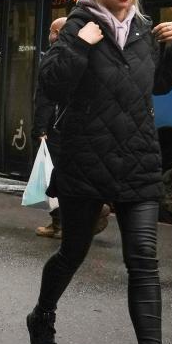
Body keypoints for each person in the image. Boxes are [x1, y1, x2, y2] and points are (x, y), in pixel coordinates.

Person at [26, 0, 172, 344]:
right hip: (85, 160)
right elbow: (51, 85)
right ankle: (42, 314)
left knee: (143, 261)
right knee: (73, 251)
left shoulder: (144, 30)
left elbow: (157, 85)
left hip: (137, 160)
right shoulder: (80, 25)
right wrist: (80, 43)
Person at [32, 16, 110, 238]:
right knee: (58, 175)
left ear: (58, 33)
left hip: (55, 127)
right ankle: (60, 222)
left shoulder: (57, 56)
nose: (49, 35)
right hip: (69, 126)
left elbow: (45, 97)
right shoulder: (83, 55)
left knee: (54, 176)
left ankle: (84, 215)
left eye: (51, 30)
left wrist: (40, 129)